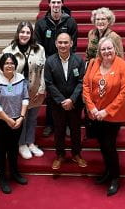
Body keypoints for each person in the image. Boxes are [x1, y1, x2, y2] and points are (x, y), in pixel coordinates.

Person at [83, 37, 125, 196]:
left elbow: (124, 93)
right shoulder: (93, 63)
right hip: (95, 114)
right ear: (99, 51)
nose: (106, 52)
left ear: (115, 49)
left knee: (109, 146)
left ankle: (115, 178)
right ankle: (108, 172)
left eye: (109, 48)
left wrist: (106, 111)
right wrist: (92, 108)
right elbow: (85, 85)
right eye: (103, 49)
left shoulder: (123, 66)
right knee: (102, 146)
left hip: (113, 116)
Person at [35, 0, 78, 137]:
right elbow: (38, 47)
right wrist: (51, 61)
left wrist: (65, 60)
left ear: (62, 4)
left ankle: (66, 124)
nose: (56, 5)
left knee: (66, 92)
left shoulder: (70, 22)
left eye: (58, 2)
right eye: (53, 2)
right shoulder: (41, 23)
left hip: (66, 62)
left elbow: (74, 45)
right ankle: (49, 123)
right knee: (51, 95)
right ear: (49, 4)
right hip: (48, 64)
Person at [3, 21, 46, 160]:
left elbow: (44, 70)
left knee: (32, 118)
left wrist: (42, 88)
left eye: (28, 32)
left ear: (31, 34)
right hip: (17, 90)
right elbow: (4, 75)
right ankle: (21, 144)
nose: (25, 35)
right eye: (22, 32)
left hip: (35, 88)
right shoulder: (8, 51)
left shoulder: (39, 49)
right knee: (22, 118)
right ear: (18, 33)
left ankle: (30, 142)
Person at [44, 32, 87, 170]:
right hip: (57, 104)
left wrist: (72, 99)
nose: (63, 45)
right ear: (56, 44)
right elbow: (49, 84)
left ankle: (76, 154)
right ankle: (60, 155)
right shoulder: (50, 61)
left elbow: (81, 82)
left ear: (71, 43)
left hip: (75, 103)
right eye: (60, 42)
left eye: (66, 42)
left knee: (75, 129)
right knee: (59, 129)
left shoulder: (79, 61)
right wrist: (63, 100)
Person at [0, 53, 29, 194]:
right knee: (2, 150)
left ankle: (15, 173)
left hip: (18, 120)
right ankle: (2, 178)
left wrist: (21, 117)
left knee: (13, 149)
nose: (9, 65)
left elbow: (25, 98)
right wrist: (8, 120)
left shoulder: (21, 78)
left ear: (15, 65)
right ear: (1, 65)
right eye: (6, 63)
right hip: (1, 122)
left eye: (12, 63)